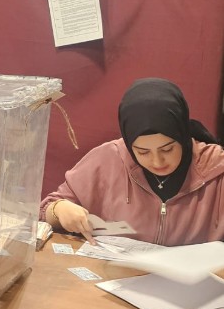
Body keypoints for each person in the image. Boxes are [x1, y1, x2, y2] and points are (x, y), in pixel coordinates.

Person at [41, 78, 224, 246]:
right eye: (142, 152)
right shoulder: (107, 160)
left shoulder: (217, 168)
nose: (157, 161)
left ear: (182, 136)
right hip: (117, 268)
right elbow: (46, 210)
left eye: (167, 149)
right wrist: (59, 209)